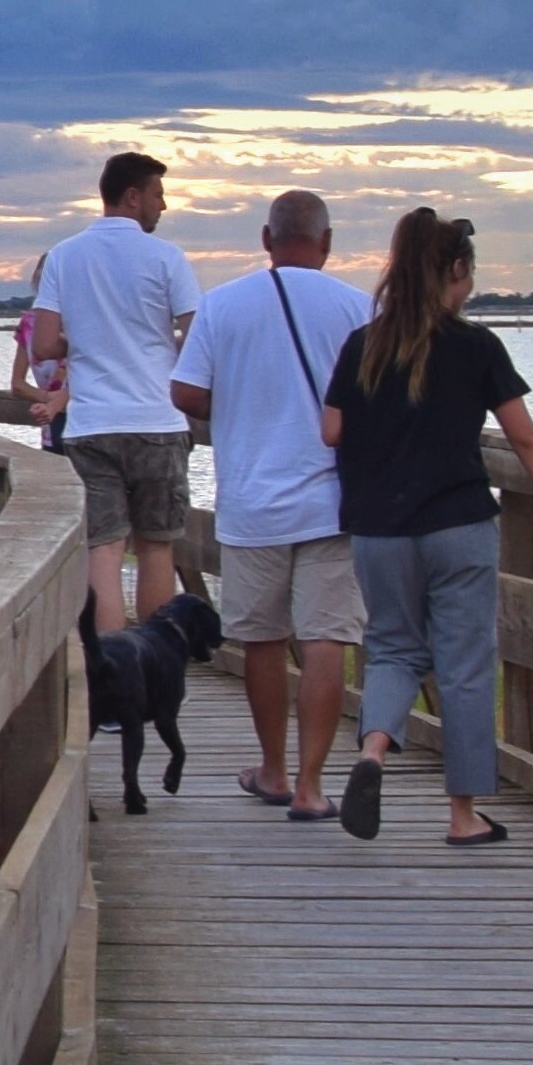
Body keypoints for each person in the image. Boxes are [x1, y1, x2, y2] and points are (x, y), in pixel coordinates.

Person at [324, 204, 533, 849]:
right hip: (458, 524)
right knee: (463, 666)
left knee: (393, 649)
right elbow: (524, 439)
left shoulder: (363, 346)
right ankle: (463, 817)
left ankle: (373, 753)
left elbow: (331, 429)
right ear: (455, 269)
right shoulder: (477, 346)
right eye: (470, 274)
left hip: (380, 530)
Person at [170, 190, 369, 817]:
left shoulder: (222, 305)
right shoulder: (361, 308)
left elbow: (185, 392)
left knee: (260, 639)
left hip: (253, 499)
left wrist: (238, 403)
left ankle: (274, 771)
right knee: (324, 640)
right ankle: (312, 787)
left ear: (265, 238)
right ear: (327, 242)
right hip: (335, 502)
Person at [16, 150, 200, 635]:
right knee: (157, 547)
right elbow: (197, 336)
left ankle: (112, 685)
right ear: (132, 196)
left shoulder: (64, 256)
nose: (164, 205)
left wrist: (87, 337)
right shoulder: (167, 258)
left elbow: (44, 345)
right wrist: (155, 340)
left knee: (104, 551)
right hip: (157, 421)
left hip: (92, 424)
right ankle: (157, 667)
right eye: (158, 194)